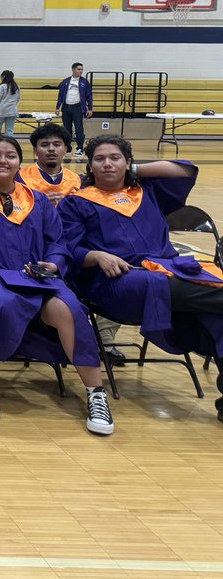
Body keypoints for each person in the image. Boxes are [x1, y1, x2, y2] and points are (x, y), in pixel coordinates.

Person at [0, 135, 113, 434]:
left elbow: (57, 242)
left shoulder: (37, 201)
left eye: (10, 155)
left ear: (20, 163)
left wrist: (54, 264)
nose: (3, 161)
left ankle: (96, 393)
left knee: (70, 308)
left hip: (35, 275)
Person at [59, 136, 223, 421]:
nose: (107, 164)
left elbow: (185, 170)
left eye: (115, 158)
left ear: (129, 162)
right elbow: (68, 251)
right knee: (157, 283)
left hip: (171, 272)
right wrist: (97, 256)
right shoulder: (75, 203)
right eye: (99, 159)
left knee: (219, 319)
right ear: (89, 166)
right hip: (116, 282)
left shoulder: (148, 191)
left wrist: (135, 171)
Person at [22, 123, 80, 205]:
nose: (51, 149)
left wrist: (67, 205)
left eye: (57, 145)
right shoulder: (20, 179)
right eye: (44, 145)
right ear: (35, 150)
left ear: (65, 149)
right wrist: (40, 204)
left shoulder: (76, 180)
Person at [55, 62, 93, 157]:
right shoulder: (66, 81)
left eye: (81, 69)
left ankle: (80, 148)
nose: (81, 71)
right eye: (78, 69)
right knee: (66, 129)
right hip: (66, 107)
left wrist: (90, 108)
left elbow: (89, 96)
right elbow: (60, 95)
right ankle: (67, 148)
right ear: (73, 70)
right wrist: (57, 107)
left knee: (79, 128)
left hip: (78, 108)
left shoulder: (84, 82)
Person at [0, 70, 20, 136]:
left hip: (1, 111)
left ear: (3, 76)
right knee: (10, 130)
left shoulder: (2, 86)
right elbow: (17, 99)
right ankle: (9, 144)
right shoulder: (17, 86)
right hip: (13, 111)